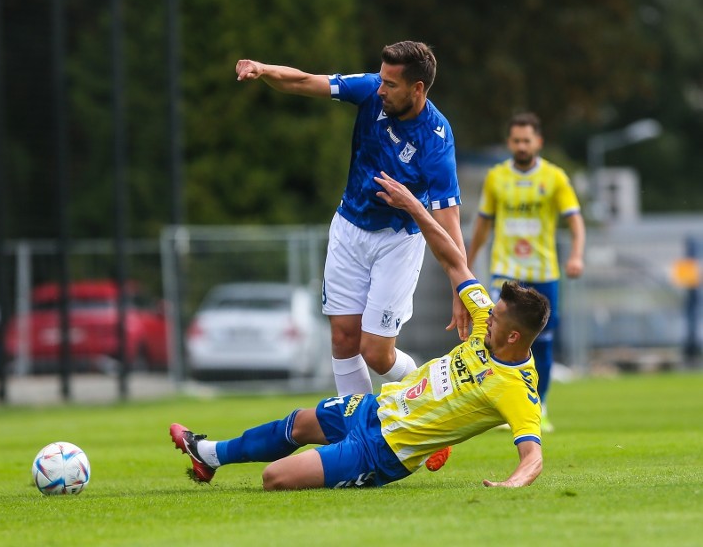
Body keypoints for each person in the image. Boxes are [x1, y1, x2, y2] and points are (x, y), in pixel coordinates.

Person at [170, 171, 549, 490]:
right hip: (376, 408)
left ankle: (377, 457)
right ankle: (209, 455)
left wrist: (509, 485)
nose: (487, 318)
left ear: (514, 337)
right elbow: (451, 259)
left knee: (275, 479)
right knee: (298, 423)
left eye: (496, 319)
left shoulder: (515, 388)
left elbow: (533, 457)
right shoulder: (486, 318)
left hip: (385, 450)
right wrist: (413, 206)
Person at [236, 41, 469, 396]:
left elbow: (448, 219)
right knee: (344, 338)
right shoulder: (371, 91)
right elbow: (304, 82)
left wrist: (461, 287)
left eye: (391, 84)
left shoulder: (436, 139)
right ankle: (356, 434)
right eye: (381, 79)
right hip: (349, 228)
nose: (380, 89)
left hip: (398, 241)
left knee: (376, 353)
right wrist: (264, 69)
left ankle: (439, 391)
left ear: (417, 89)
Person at [466, 113, 585, 432]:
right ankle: (496, 405)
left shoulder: (555, 177)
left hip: (544, 272)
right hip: (505, 273)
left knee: (543, 344)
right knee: (492, 335)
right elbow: (483, 223)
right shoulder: (496, 177)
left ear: (538, 142)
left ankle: (539, 406)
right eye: (516, 140)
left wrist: (575, 255)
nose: (521, 146)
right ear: (509, 142)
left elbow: (575, 220)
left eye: (526, 140)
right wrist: (467, 260)